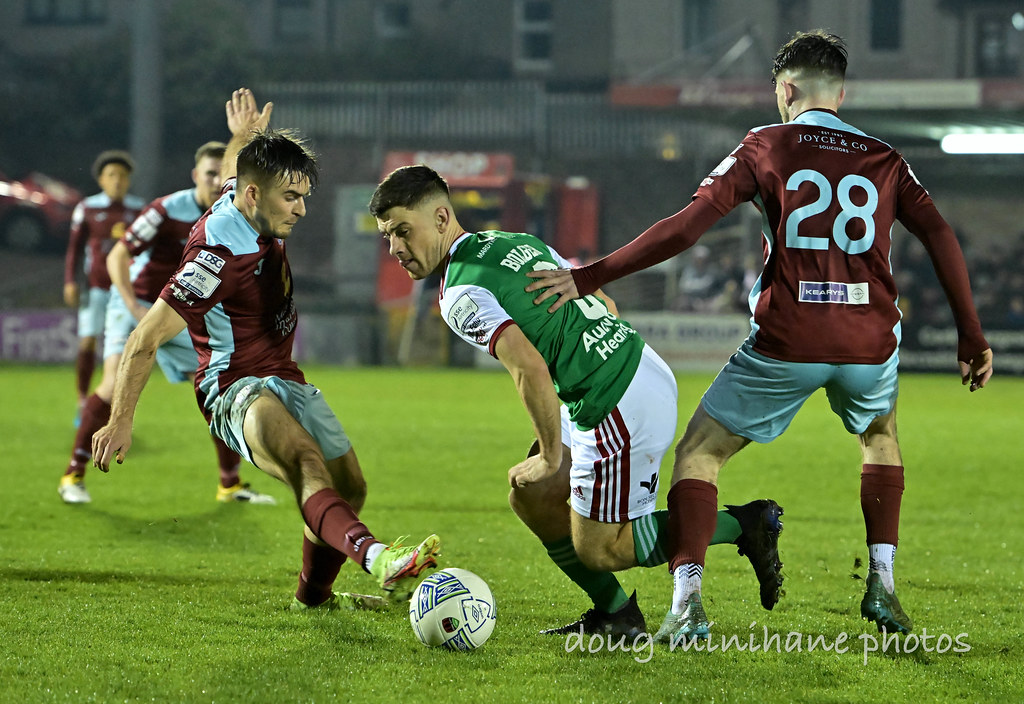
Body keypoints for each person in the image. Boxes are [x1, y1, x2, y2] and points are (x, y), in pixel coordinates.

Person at [525, 30, 994, 643]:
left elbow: (685, 229)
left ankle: (687, 604)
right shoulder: (884, 158)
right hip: (868, 340)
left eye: (779, 91)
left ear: (788, 88)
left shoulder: (765, 146)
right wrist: (971, 332)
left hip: (788, 339)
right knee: (879, 438)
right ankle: (882, 585)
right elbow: (940, 234)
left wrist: (590, 275)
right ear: (841, 92)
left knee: (700, 452)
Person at [370, 164, 784, 640]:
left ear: (442, 219)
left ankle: (745, 524)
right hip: (632, 365)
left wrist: (551, 455)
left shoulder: (459, 292)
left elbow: (529, 368)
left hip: (615, 401)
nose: (396, 249)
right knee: (535, 497)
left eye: (403, 231)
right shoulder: (514, 243)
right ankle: (618, 616)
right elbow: (603, 301)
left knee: (602, 549)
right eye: (387, 237)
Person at [92, 88, 440, 609]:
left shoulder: (245, 196)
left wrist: (246, 134)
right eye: (291, 198)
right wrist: (121, 419)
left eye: (303, 196)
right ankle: (379, 559)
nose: (301, 210)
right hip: (233, 385)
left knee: (350, 485)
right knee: (305, 462)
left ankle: (314, 598)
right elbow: (144, 339)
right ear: (256, 197)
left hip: (281, 371)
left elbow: (237, 167)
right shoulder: (219, 253)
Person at [57, 141, 273, 505]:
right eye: (209, 173)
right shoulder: (168, 208)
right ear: (196, 176)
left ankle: (230, 484)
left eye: (222, 174)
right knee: (113, 384)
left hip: (181, 313)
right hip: (139, 305)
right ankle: (72, 476)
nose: (216, 179)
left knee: (215, 391)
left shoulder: (237, 215)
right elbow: (120, 254)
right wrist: (129, 305)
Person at [63, 150, 146, 424]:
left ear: (129, 180)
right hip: (96, 288)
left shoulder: (139, 209)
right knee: (87, 341)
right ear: (101, 180)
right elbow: (74, 250)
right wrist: (70, 281)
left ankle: (114, 406)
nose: (118, 181)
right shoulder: (87, 208)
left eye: (123, 176)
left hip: (126, 292)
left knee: (121, 351)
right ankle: (82, 400)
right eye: (112, 175)